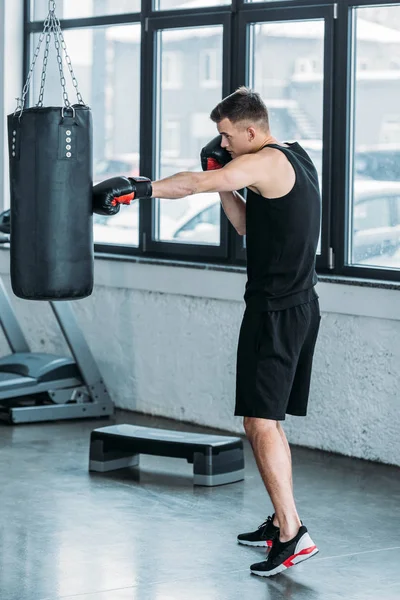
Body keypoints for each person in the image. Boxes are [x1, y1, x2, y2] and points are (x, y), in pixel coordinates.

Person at [93, 86, 321, 578]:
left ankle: (292, 534)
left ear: (252, 132)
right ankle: (285, 520)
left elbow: (189, 184)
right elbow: (244, 226)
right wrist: (224, 181)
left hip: (276, 312)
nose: (223, 144)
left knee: (259, 423)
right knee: (268, 422)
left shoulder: (264, 162)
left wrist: (141, 188)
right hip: (294, 306)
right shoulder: (295, 159)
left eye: (227, 137)